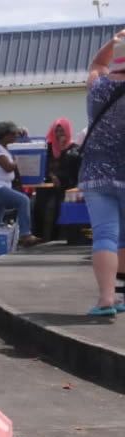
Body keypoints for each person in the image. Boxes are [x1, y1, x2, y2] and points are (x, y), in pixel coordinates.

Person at [80, 27, 125, 317]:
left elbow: (97, 64)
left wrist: (114, 41)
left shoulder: (98, 87)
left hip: (95, 173)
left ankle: (107, 298)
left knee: (105, 234)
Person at [0, 121, 40, 247]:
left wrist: (23, 135)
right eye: (13, 134)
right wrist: (17, 161)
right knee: (23, 200)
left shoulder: (5, 149)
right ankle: (26, 234)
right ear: (5, 135)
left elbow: (23, 144)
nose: (15, 137)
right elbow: (7, 167)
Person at [33, 119, 78, 244]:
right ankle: (42, 238)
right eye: (56, 131)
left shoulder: (74, 149)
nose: (59, 134)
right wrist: (52, 175)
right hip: (47, 185)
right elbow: (42, 165)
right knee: (41, 209)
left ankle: (59, 238)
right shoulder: (47, 148)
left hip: (66, 187)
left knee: (59, 209)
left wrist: (64, 149)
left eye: (62, 130)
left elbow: (73, 167)